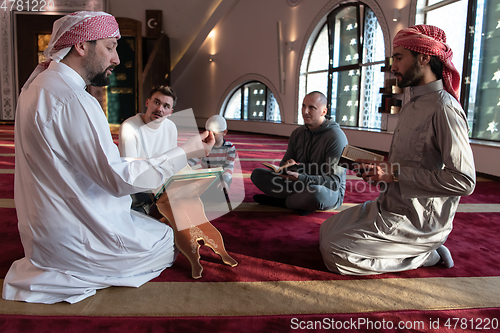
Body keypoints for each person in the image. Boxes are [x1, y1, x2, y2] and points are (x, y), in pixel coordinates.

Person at [3, 11, 214, 304]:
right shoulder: (74, 99)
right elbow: (117, 179)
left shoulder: (36, 86)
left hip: (42, 232)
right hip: (71, 237)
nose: (116, 58)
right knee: (166, 241)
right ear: (81, 46)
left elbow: (89, 167)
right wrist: (187, 151)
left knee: (149, 223)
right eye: (110, 46)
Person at [319, 25, 476, 275]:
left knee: (336, 253)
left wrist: (396, 173)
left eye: (399, 57)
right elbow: (405, 165)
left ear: (424, 57)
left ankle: (426, 254)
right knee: (325, 230)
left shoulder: (444, 108)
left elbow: (464, 181)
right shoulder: (412, 103)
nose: (393, 66)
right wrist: (379, 171)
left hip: (419, 220)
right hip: (389, 205)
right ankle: (405, 249)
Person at [251, 91, 348, 215]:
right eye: (303, 106)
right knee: (258, 174)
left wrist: (301, 177)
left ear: (324, 111)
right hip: (299, 183)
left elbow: (333, 183)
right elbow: (282, 165)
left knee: (316, 193)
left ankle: (283, 202)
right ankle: (299, 202)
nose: (305, 111)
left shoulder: (335, 137)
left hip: (326, 190)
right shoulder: (297, 133)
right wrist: (288, 167)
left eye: (311, 107)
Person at [119, 85, 178, 213]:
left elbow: (171, 165)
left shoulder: (171, 127)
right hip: (137, 194)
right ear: (147, 102)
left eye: (166, 106)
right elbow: (130, 171)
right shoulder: (129, 127)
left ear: (170, 112)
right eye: (156, 102)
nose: (159, 109)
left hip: (161, 189)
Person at [188, 115, 236, 191]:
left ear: (224, 132)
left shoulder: (230, 147)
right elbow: (191, 161)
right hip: (206, 178)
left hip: (221, 178)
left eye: (214, 134)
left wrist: (224, 180)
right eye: (208, 134)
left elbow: (229, 167)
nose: (211, 137)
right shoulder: (204, 145)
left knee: (219, 194)